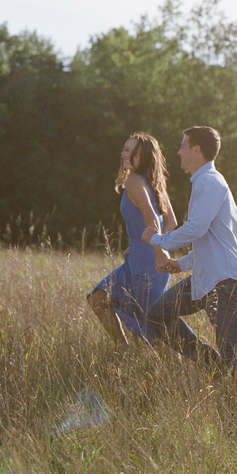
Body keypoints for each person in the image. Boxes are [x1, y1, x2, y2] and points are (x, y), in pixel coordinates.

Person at [143, 126, 237, 397]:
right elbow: (210, 241)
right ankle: (214, 365)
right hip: (206, 279)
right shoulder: (205, 182)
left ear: (197, 150)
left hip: (222, 283)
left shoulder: (210, 181)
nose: (179, 152)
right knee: (157, 315)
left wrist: (157, 239)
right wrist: (181, 264)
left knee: (234, 351)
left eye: (183, 146)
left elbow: (195, 229)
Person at [87, 133, 177, 347]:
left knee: (153, 323)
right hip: (142, 255)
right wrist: (139, 241)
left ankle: (173, 368)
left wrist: (156, 250)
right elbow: (171, 222)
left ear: (145, 157)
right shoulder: (154, 184)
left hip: (149, 261)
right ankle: (122, 347)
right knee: (98, 299)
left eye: (133, 152)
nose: (126, 155)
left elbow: (151, 216)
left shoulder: (134, 181)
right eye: (126, 149)